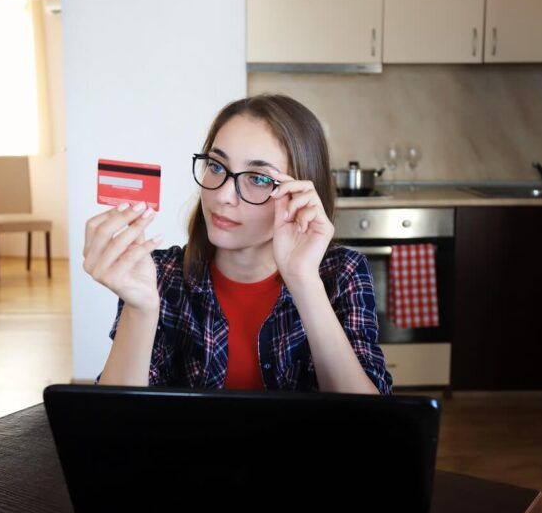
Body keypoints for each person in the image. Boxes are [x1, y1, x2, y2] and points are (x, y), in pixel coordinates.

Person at [83, 94, 392, 395]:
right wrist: (140, 308)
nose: (223, 196)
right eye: (216, 166)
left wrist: (304, 281)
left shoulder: (343, 273)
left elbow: (370, 428)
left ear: (299, 195)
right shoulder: (158, 275)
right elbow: (116, 424)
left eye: (258, 178)